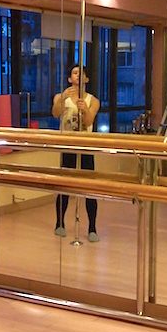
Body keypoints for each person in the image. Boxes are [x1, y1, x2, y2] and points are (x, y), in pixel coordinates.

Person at [52, 64, 101, 242]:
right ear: (69, 78)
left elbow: (88, 121)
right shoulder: (60, 97)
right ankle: (60, 223)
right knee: (64, 186)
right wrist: (63, 99)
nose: (78, 76)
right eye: (74, 73)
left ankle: (92, 227)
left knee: (89, 187)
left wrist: (85, 109)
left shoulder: (93, 100)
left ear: (87, 79)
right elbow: (55, 113)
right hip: (67, 147)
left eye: (82, 74)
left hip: (86, 147)